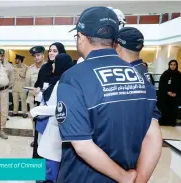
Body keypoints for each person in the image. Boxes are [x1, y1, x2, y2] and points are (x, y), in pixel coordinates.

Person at [56, 7, 159, 183]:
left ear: (81, 38)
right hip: (128, 170)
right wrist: (138, 179)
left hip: (82, 177)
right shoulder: (139, 76)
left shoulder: (73, 78)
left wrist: (124, 177)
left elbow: (82, 145)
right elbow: (153, 136)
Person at [114, 27, 163, 183]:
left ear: (118, 47)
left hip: (125, 158)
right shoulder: (141, 72)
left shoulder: (129, 77)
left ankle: (35, 172)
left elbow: (152, 134)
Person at [30, 53, 74, 183]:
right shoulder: (57, 80)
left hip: (54, 127)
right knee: (46, 157)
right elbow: (48, 98)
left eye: (55, 63)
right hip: (47, 124)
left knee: (51, 165)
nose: (52, 65)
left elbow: (59, 107)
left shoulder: (64, 83)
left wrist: (36, 110)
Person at [25, 46, 45, 153]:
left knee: (44, 119)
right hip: (32, 98)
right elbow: (27, 85)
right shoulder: (30, 69)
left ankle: (44, 140)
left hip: (44, 100)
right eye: (35, 56)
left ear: (43, 55)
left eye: (38, 55)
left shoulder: (48, 66)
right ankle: (35, 139)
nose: (36, 58)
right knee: (34, 120)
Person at [0, 48, 15, 139]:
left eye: (1, 56)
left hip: (3, 91)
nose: (0, 58)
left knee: (3, 111)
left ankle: (1, 130)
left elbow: (12, 80)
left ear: (4, 56)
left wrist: (4, 86)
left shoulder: (9, 66)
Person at [158, 60, 181, 126]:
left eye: (174, 65)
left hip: (174, 97)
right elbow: (161, 85)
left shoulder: (178, 74)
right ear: (169, 65)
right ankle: (163, 123)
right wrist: (167, 92)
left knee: (173, 111)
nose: (173, 66)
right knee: (165, 110)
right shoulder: (165, 74)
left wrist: (176, 93)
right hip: (165, 97)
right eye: (171, 64)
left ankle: (171, 123)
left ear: (176, 65)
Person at [10, 54, 28, 118]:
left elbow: (28, 77)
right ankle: (15, 112)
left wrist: (24, 76)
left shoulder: (26, 67)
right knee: (15, 100)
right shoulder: (13, 67)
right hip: (15, 86)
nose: (15, 60)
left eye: (16, 59)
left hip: (22, 86)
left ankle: (24, 112)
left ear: (20, 60)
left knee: (23, 100)